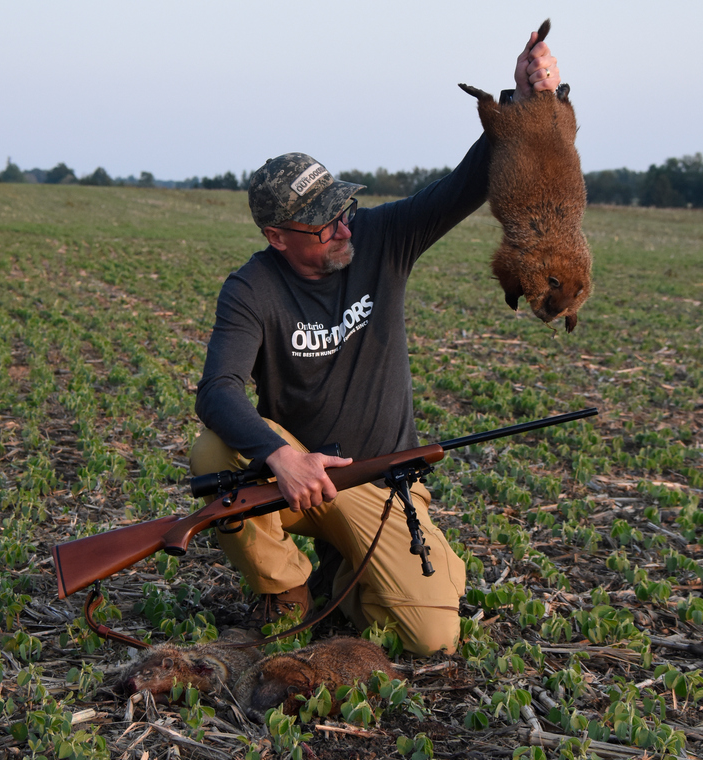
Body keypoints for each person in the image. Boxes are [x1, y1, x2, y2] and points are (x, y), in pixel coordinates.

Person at [190, 29, 561, 656]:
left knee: (432, 637)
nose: (344, 227)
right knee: (214, 452)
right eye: (325, 222)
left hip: (382, 479)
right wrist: (282, 457)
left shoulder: (382, 237)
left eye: (344, 210)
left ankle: (355, 573)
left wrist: (525, 104)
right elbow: (218, 390)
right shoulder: (251, 289)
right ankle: (285, 591)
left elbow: (469, 181)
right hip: (299, 476)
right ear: (279, 237)